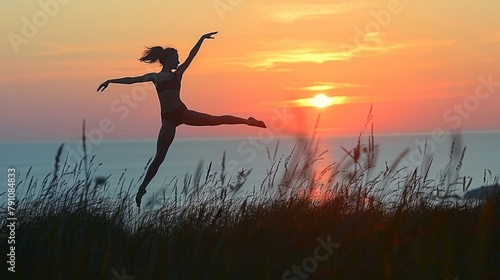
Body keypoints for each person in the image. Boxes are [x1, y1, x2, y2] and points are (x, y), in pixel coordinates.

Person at [97, 31, 266, 209]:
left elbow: (192, 56)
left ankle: (248, 121)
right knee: (159, 156)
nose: (178, 61)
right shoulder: (154, 78)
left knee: (214, 120)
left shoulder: (178, 74)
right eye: (176, 58)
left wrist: (201, 39)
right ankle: (142, 189)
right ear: (168, 59)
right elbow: (132, 80)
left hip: (181, 112)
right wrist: (111, 80)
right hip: (167, 120)